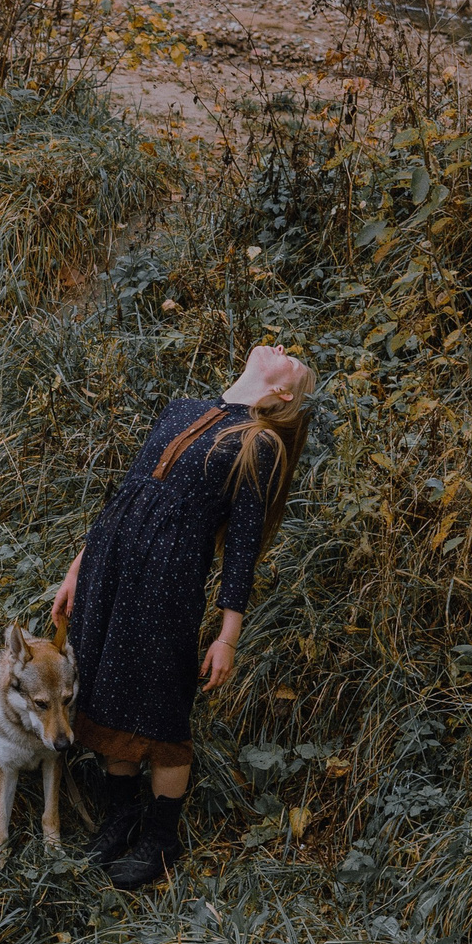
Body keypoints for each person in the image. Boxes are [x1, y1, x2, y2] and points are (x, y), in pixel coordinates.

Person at [51, 344, 315, 889]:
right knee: (103, 690)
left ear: (284, 392)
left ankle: (160, 840)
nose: (281, 347)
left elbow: (242, 547)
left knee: (162, 710)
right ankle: (120, 817)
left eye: (292, 358)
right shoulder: (181, 407)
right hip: (109, 565)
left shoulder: (258, 443)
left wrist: (228, 637)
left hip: (167, 583)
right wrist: (79, 564)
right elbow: (125, 492)